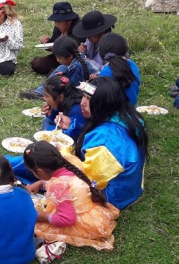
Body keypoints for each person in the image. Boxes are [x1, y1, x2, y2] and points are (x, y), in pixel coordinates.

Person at [24, 141, 120, 250]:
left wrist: (44, 217)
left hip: (79, 223)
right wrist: (41, 182)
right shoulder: (70, 162)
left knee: (32, 223)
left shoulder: (59, 187)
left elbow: (67, 220)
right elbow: (66, 181)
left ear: (40, 171)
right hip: (91, 210)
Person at [73, 77, 148, 210]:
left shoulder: (104, 141)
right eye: (83, 96)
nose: (82, 103)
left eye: (89, 99)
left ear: (104, 102)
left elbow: (91, 179)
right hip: (131, 187)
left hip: (110, 196)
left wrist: (64, 154)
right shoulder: (127, 116)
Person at [20, 36, 100, 100]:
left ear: (70, 56)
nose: (57, 60)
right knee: (61, 68)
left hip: (94, 91)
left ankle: (48, 91)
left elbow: (73, 90)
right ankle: (42, 90)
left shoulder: (77, 67)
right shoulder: (75, 61)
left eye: (59, 57)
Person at [31, 2, 84, 75]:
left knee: (55, 74)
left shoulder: (78, 29)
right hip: (57, 58)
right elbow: (53, 42)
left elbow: (76, 51)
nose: (57, 25)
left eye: (59, 22)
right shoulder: (58, 28)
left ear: (69, 20)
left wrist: (59, 49)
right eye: (55, 21)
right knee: (37, 64)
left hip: (71, 60)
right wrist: (47, 42)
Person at [98, 33, 141, 105]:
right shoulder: (132, 64)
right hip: (131, 110)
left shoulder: (106, 72)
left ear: (102, 52)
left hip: (112, 114)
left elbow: (101, 99)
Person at [41, 74, 86, 141]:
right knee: (46, 121)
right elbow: (54, 120)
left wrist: (49, 129)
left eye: (47, 96)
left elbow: (76, 134)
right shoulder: (64, 102)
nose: (44, 98)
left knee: (47, 126)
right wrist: (51, 111)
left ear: (60, 97)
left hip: (77, 139)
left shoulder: (76, 109)